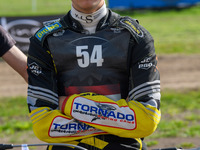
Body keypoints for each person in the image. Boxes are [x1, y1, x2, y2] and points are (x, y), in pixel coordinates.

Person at [27, 0, 161, 149]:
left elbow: (147, 120)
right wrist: (119, 120)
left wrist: (68, 104)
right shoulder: (44, 40)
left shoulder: (136, 36)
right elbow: (43, 125)